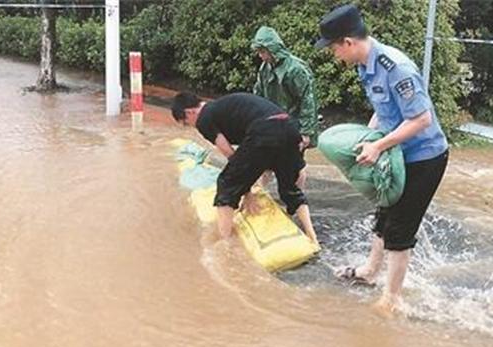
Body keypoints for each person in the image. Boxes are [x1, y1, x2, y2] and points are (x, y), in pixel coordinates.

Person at [315, 5, 449, 313]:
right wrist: (369, 137)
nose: (335, 56)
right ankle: (370, 272)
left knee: (399, 230)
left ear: (348, 42)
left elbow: (421, 119)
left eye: (334, 49)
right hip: (398, 152)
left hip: (424, 158)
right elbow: (385, 110)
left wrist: (379, 147)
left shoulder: (395, 68)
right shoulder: (366, 65)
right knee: (384, 215)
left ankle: (391, 299)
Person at [170, 92, 318, 244]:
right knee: (290, 188)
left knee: (226, 184)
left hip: (266, 130)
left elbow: (230, 155)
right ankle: (312, 237)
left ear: (189, 112)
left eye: (186, 122)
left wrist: (245, 191)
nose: (191, 126)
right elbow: (253, 157)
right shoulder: (222, 107)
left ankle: (225, 246)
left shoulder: (204, 119)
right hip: (289, 128)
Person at [252, 26, 319, 149]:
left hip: (293, 125)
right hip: (273, 123)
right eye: (259, 52)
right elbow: (258, 95)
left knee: (290, 163)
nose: (260, 55)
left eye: (262, 52)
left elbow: (308, 101)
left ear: (272, 49)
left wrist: (306, 132)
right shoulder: (265, 68)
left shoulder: (296, 69)